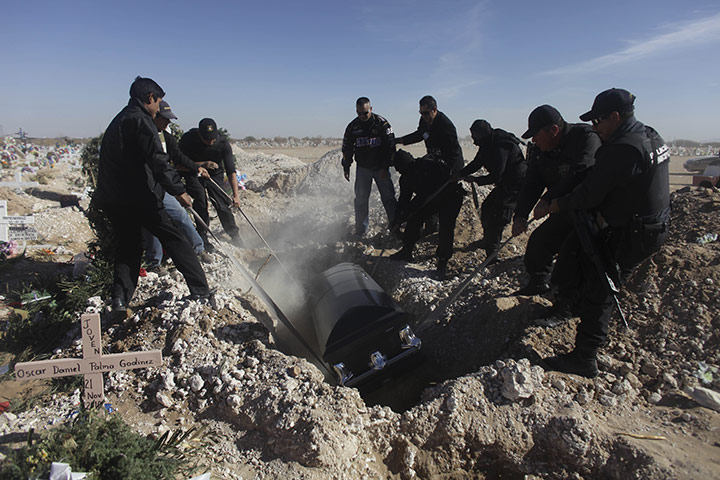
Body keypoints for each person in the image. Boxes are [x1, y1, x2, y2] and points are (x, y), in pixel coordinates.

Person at [541, 88, 670, 378]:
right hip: (652, 225)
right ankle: (572, 311)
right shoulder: (650, 135)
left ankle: (585, 357)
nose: (595, 128)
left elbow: (590, 194)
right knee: (592, 274)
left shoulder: (623, 148)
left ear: (615, 116)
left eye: (598, 121)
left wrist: (558, 203)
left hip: (634, 230)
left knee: (601, 285)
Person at [93, 76, 211, 314]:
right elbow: (158, 161)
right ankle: (201, 291)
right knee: (175, 238)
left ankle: (119, 301)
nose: (159, 108)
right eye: (159, 102)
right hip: (139, 196)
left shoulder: (118, 121)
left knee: (128, 248)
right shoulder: (142, 121)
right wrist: (180, 192)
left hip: (113, 199)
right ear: (150, 98)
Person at [511, 105, 600, 308]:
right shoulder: (540, 150)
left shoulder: (585, 137)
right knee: (538, 243)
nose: (533, 140)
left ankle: (569, 304)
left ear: (553, 130)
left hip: (588, 209)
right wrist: (520, 215)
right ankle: (538, 284)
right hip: (560, 208)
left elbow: (580, 171)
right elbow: (532, 182)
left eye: (536, 134)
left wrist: (548, 199)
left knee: (573, 256)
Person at [142, 100, 213, 269]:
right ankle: (154, 263)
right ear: (154, 116)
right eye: (164, 119)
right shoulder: (145, 137)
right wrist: (180, 191)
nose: (168, 122)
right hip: (147, 188)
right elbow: (160, 166)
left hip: (163, 187)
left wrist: (197, 167)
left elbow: (179, 157)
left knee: (180, 215)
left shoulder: (166, 137)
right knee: (154, 223)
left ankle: (198, 249)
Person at [389, 149, 465, 278]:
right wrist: (397, 220)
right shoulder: (406, 178)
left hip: (449, 195)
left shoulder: (428, 165)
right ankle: (407, 251)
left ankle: (442, 264)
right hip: (430, 198)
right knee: (414, 218)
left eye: (398, 167)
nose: (398, 171)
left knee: (446, 228)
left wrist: (413, 208)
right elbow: (404, 201)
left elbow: (446, 177)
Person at [458, 120, 526, 259]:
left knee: (497, 217)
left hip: (515, 186)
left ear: (482, 134)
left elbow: (496, 175)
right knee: (487, 208)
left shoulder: (500, 146)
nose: (474, 140)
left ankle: (492, 256)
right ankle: (487, 240)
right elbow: (477, 163)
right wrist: (460, 174)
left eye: (475, 136)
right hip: (504, 184)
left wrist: (476, 180)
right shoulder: (487, 144)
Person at [179, 118, 241, 246]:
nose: (210, 142)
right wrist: (201, 165)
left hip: (215, 174)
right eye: (207, 139)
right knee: (200, 200)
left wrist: (236, 195)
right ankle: (202, 235)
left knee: (221, 202)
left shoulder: (222, 143)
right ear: (199, 134)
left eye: (213, 138)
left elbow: (231, 171)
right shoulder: (188, 140)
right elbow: (178, 165)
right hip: (193, 172)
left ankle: (234, 234)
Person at [341, 97, 398, 236]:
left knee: (389, 197)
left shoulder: (382, 124)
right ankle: (361, 230)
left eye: (365, 113)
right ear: (356, 111)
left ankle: (396, 227)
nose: (362, 116)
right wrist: (346, 166)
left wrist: (385, 167)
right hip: (363, 169)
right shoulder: (353, 127)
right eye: (359, 113)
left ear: (370, 109)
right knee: (360, 199)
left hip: (380, 168)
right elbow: (347, 149)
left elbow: (390, 147)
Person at [396, 95, 464, 175]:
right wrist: (400, 140)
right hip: (435, 159)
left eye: (426, 113)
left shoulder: (446, 126)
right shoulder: (424, 120)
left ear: (434, 110)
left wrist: (453, 173)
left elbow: (453, 153)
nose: (423, 116)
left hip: (450, 165)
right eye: (421, 113)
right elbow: (419, 134)